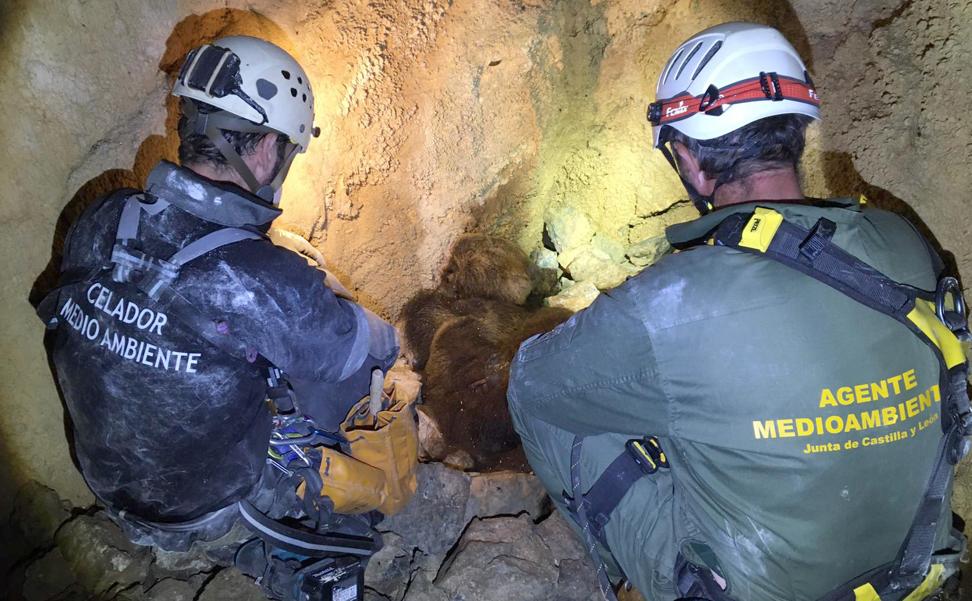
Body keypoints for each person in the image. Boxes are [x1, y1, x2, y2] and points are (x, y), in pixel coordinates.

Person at [508, 22, 970, 601]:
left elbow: (535, 382)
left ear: (690, 162)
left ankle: (620, 578)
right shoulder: (904, 243)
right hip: (911, 570)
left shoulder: (670, 304)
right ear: (797, 136)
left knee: (551, 404)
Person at [36, 36, 414, 576]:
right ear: (264, 150)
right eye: (286, 150)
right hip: (203, 509)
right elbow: (371, 344)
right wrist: (325, 299)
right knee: (367, 378)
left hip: (105, 477)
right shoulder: (259, 277)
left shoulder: (104, 216)